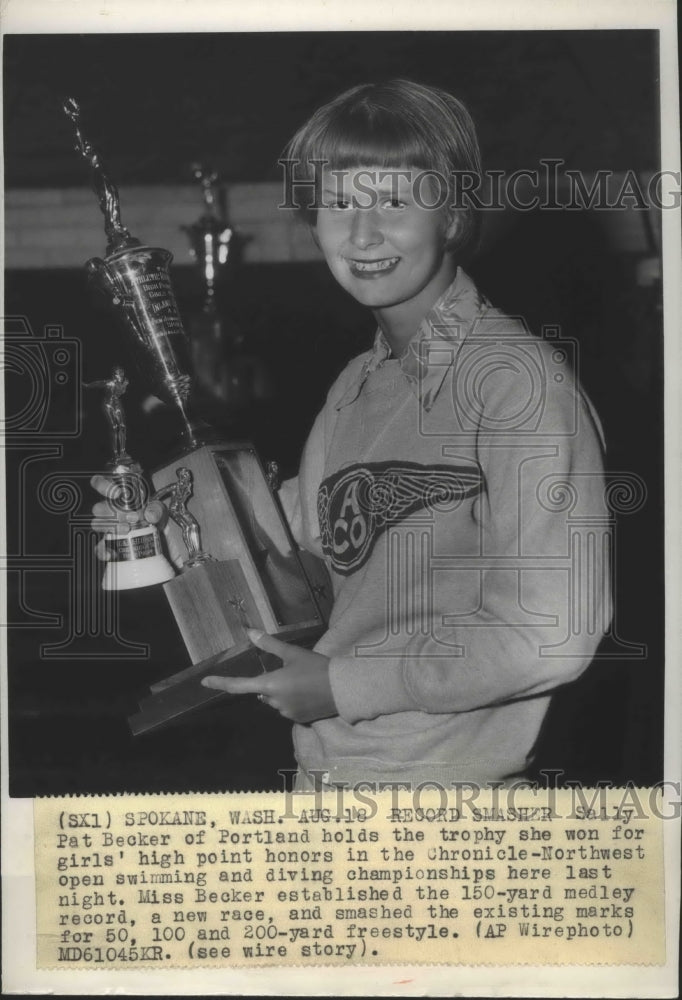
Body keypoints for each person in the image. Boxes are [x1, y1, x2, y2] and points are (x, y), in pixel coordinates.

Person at [92, 80, 611, 789]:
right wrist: (171, 529)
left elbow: (555, 636)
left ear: (454, 215)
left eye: (394, 202)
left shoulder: (515, 383)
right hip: (330, 793)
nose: (362, 235)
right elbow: (299, 559)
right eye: (339, 204)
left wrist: (345, 687)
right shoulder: (356, 387)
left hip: (453, 820)